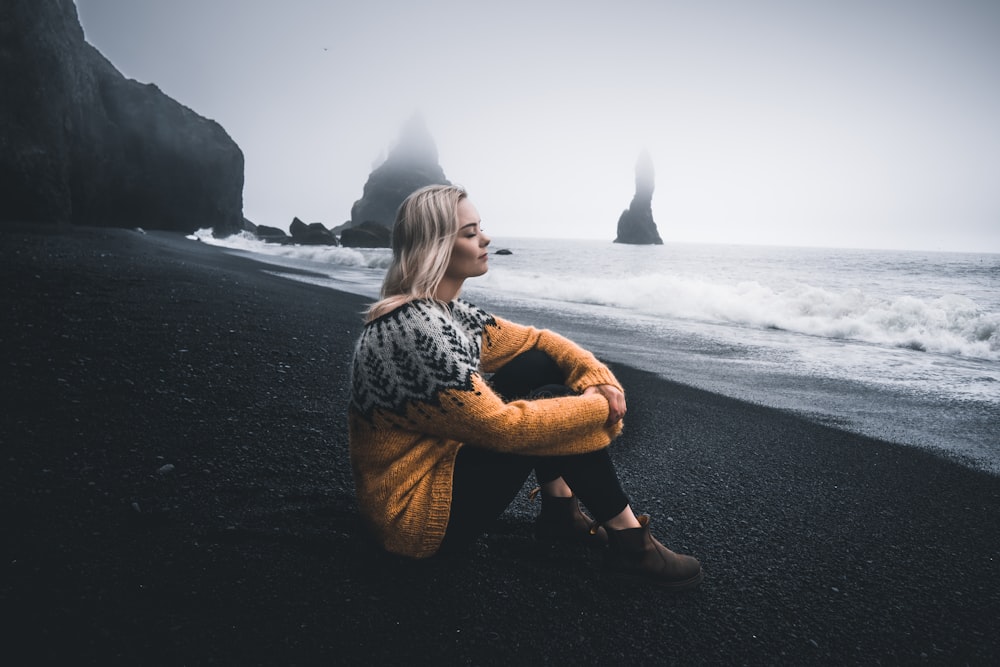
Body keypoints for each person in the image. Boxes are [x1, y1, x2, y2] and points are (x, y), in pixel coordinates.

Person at [348, 184, 701, 590]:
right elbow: (502, 428)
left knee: (535, 367)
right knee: (551, 410)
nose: (486, 239)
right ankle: (633, 545)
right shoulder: (414, 330)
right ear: (435, 248)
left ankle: (560, 516)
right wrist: (599, 409)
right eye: (470, 233)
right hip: (414, 521)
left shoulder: (446, 314)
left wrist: (597, 379)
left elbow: (538, 342)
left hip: (439, 469)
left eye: (480, 228)